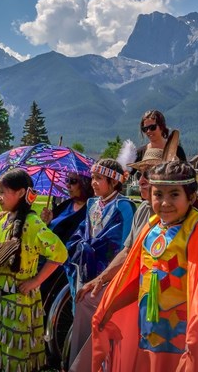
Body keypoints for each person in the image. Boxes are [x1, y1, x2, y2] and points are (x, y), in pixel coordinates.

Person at [91, 161, 198, 371]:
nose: (164, 203)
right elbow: (140, 282)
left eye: (174, 195)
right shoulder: (150, 230)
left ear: (190, 197)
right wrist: (111, 308)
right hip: (148, 335)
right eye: (158, 195)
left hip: (182, 340)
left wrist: (195, 341)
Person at [69, 147, 163, 371]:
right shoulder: (140, 210)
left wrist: (105, 274)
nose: (141, 181)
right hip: (110, 269)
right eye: (141, 175)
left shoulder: (126, 206)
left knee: (99, 305)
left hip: (140, 280)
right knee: (84, 300)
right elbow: (127, 250)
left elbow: (119, 243)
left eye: (148, 175)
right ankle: (81, 363)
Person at [0, 168, 67, 372]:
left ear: (20, 193)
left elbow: (59, 254)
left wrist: (36, 281)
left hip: (18, 300)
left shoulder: (33, 223)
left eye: (3, 192)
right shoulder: (1, 220)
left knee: (16, 352)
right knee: (2, 349)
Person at [64, 158, 136, 368]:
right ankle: (80, 362)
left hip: (108, 267)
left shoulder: (124, 206)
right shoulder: (91, 204)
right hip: (87, 264)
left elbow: (124, 242)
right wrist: (82, 247)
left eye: (99, 178)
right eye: (93, 177)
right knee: (81, 308)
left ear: (114, 182)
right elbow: (85, 230)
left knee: (102, 316)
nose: (93, 182)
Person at [41, 172, 95, 245]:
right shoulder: (66, 204)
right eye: (67, 180)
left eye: (73, 181)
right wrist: (46, 222)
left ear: (85, 184)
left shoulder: (90, 212)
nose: (68, 185)